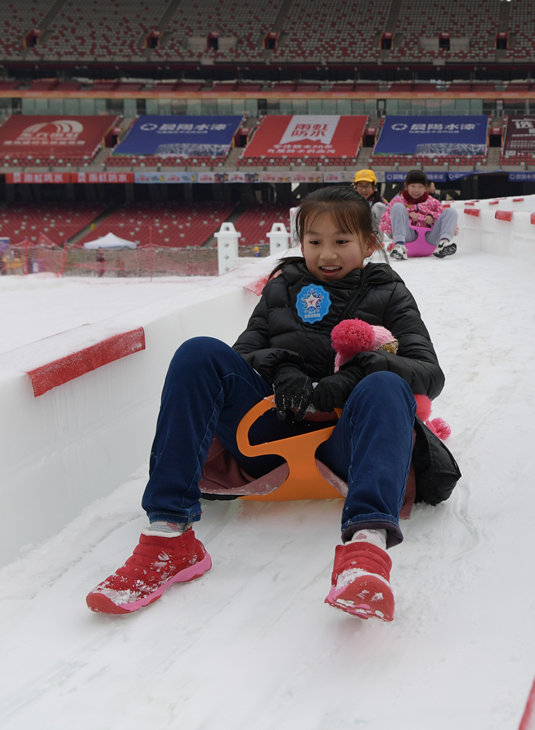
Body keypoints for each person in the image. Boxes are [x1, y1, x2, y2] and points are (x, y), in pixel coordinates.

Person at [86, 186, 452, 622]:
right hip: (270, 431)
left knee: (388, 385)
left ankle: (365, 552)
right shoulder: (282, 287)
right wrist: (283, 368)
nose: (326, 253)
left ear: (369, 244)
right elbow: (243, 356)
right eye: (315, 241)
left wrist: (358, 372)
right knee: (198, 353)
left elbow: (428, 371)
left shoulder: (389, 292)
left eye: (341, 241)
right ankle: (169, 535)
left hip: (344, 445)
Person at [380, 169, 458, 260]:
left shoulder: (433, 202)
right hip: (408, 237)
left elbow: (446, 221)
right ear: (406, 186)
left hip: (430, 238)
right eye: (413, 186)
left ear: (425, 188)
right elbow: (385, 224)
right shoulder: (398, 201)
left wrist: (432, 217)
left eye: (420, 186)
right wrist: (406, 215)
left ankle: (443, 244)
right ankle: (400, 246)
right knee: (397, 207)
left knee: (451, 212)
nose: (416, 190)